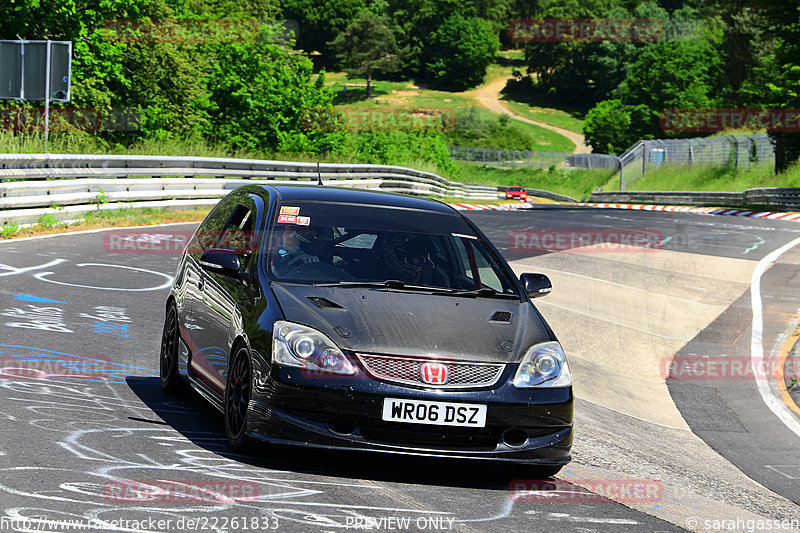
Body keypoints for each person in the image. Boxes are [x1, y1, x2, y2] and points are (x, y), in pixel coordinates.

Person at [382, 234, 449, 287]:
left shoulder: (439, 279)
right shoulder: (377, 279)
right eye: (417, 254)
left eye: (425, 254)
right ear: (401, 254)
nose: (423, 260)